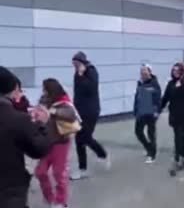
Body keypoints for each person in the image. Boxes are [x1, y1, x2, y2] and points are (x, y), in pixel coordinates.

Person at [0, 66, 52, 208]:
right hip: (8, 194)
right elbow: (39, 148)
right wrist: (45, 125)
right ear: (12, 89)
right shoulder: (15, 119)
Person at [35, 79, 80, 208]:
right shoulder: (43, 100)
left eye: (44, 88)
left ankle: (61, 201)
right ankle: (49, 198)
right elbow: (40, 117)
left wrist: (54, 112)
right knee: (40, 172)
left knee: (58, 173)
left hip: (61, 142)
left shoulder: (63, 100)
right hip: (46, 141)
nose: (43, 91)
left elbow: (71, 114)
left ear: (51, 89)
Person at [70, 52, 110, 180]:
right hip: (80, 111)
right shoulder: (77, 73)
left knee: (85, 137)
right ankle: (83, 169)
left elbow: (90, 88)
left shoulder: (91, 71)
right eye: (73, 64)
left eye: (76, 63)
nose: (74, 66)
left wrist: (81, 74)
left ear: (82, 62)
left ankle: (102, 154)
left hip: (91, 111)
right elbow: (78, 92)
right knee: (79, 139)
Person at [161, 63, 184, 176]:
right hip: (174, 115)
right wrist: (158, 109)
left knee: (180, 136)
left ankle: (180, 158)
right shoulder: (171, 84)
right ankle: (182, 157)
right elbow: (165, 98)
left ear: (181, 71)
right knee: (178, 137)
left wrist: (182, 85)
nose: (175, 72)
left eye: (177, 70)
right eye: (173, 70)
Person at [133, 64, 161, 164]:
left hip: (150, 112)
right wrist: (135, 110)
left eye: (145, 71)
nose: (143, 73)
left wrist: (156, 111)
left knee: (151, 134)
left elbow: (157, 99)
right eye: (141, 72)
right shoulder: (140, 83)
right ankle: (148, 147)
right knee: (138, 131)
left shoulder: (154, 83)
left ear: (150, 72)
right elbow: (137, 98)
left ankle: (152, 155)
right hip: (141, 112)